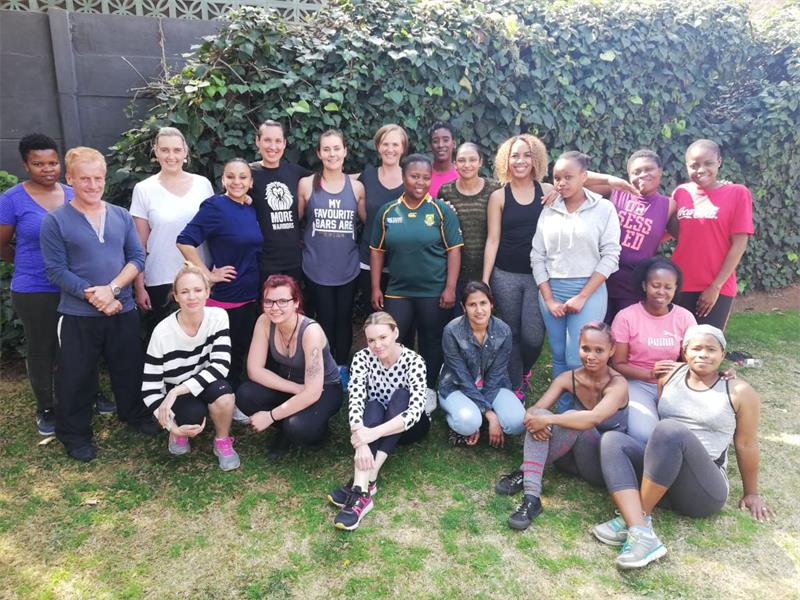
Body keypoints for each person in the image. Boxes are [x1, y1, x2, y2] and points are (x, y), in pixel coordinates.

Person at [594, 324, 770, 569]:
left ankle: (637, 522)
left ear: (722, 354)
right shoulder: (669, 376)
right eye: (696, 348)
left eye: (711, 349)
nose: (703, 354)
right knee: (613, 440)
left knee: (669, 430)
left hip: (702, 489)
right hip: (665, 478)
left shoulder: (738, 390)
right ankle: (640, 529)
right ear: (684, 352)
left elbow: (747, 443)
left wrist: (752, 492)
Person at [39, 147, 158, 461]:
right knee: (75, 376)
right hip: (78, 314)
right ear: (70, 179)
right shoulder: (55, 221)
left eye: (98, 178)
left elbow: (137, 257)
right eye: (85, 179)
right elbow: (56, 270)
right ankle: (75, 434)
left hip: (123, 308)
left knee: (129, 367)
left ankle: (134, 413)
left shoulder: (120, 215)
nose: (92, 185)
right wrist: (95, 296)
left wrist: (113, 290)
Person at [495, 322, 628, 530]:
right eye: (585, 349)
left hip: (601, 465)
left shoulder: (618, 384)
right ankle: (531, 499)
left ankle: (526, 473)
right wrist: (535, 417)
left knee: (569, 417)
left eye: (599, 350)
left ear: (611, 351)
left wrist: (549, 420)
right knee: (542, 416)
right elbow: (534, 411)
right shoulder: (569, 378)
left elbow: (593, 419)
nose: (591, 356)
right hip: (567, 460)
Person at [370, 153, 463, 408]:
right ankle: (398, 386)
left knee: (431, 340)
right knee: (394, 339)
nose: (420, 182)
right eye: (414, 176)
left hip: (433, 291)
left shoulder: (441, 211)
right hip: (398, 290)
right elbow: (376, 251)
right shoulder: (388, 211)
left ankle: (428, 388)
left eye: (425, 177)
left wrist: (450, 288)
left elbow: (454, 251)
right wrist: (376, 287)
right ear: (403, 177)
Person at [531, 151, 621, 412]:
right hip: (552, 290)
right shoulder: (549, 209)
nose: (561, 183)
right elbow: (537, 255)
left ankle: (584, 413)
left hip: (588, 290)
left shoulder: (603, 209)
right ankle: (563, 412)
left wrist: (582, 296)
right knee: (559, 355)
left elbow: (611, 255)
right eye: (557, 178)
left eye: (568, 177)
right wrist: (549, 298)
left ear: (584, 176)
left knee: (577, 357)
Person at [327, 311, 430, 530]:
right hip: (376, 420)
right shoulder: (362, 358)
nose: (377, 345)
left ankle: (369, 476)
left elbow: (415, 411)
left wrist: (372, 434)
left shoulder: (414, 361)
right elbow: (356, 400)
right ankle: (362, 491)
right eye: (371, 340)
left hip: (410, 426)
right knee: (372, 405)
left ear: (395, 333)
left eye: (383, 337)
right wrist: (361, 442)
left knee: (401, 396)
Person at [0, 134, 73, 435]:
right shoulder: (12, 199)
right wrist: (27, 263)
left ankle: (86, 393)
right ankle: (46, 407)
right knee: (42, 347)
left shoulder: (72, 194)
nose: (47, 169)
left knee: (77, 344)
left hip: (72, 285)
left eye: (52, 163)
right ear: (26, 165)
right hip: (35, 288)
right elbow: (2, 245)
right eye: (38, 164)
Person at [141, 263, 240, 470]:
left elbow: (221, 365)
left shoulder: (218, 317)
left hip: (201, 382)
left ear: (207, 292)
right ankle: (178, 434)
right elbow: (150, 388)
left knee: (225, 396)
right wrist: (171, 427)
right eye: (185, 292)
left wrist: (176, 392)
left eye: (197, 290)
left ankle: (222, 440)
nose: (192, 297)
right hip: (176, 387)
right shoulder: (162, 332)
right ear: (176, 296)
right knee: (192, 415)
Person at [177, 158, 263, 390]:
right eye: (230, 177)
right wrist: (207, 275)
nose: (237, 182)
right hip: (227, 297)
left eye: (243, 177)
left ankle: (231, 395)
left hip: (250, 293)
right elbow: (184, 241)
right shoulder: (215, 207)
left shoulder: (250, 207)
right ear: (223, 180)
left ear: (251, 182)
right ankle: (220, 398)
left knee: (240, 349)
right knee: (223, 354)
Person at [236, 275, 342, 457]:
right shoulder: (264, 321)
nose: (275, 308)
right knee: (246, 395)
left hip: (324, 388)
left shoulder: (311, 332)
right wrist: (296, 388)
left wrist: (269, 416)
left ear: (296, 303)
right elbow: (254, 370)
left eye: (283, 301)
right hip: (292, 384)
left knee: (298, 427)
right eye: (269, 301)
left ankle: (317, 431)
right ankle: (284, 427)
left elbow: (313, 392)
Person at [483, 134, 553, 398]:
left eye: (527, 155)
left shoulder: (548, 191)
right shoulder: (499, 196)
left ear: (536, 159)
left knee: (533, 337)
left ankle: (524, 369)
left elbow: (580, 178)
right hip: (505, 274)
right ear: (506, 160)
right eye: (515, 156)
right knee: (511, 332)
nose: (520, 161)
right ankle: (516, 383)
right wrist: (486, 279)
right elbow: (493, 239)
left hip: (539, 276)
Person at [130, 127, 214, 338]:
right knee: (167, 340)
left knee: (202, 338)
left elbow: (217, 229)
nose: (171, 156)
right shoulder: (144, 189)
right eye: (165, 150)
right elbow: (139, 244)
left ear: (185, 152)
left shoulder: (203, 185)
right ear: (156, 152)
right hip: (161, 278)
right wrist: (139, 287)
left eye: (177, 150)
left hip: (200, 277)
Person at [298, 130, 365, 375]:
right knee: (324, 318)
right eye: (326, 149)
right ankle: (325, 369)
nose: (332, 154)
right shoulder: (307, 184)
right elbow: (294, 222)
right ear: (319, 153)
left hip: (348, 266)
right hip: (316, 267)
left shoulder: (357, 187)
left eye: (337, 148)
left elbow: (370, 223)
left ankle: (343, 368)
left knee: (344, 317)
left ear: (345, 151)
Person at [582, 149, 674, 323]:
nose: (643, 175)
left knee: (625, 332)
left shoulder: (668, 205)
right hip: (602, 278)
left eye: (649, 169)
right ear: (629, 175)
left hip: (634, 285)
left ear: (660, 171)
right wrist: (609, 179)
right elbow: (577, 178)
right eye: (636, 172)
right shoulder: (616, 192)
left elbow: (684, 229)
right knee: (597, 331)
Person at [670, 139, 754, 330]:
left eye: (708, 163)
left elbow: (739, 244)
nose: (701, 170)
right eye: (694, 165)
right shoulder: (681, 192)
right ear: (686, 166)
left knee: (707, 343)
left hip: (716, 285)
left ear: (719, 162)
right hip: (679, 282)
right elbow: (670, 230)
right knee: (676, 343)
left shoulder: (737, 193)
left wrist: (715, 286)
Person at [610, 258, 696, 443]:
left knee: (690, 431)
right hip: (637, 383)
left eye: (668, 287)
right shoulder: (626, 317)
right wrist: (650, 373)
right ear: (644, 285)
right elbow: (618, 363)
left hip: (674, 384)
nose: (661, 292)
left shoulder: (685, 317)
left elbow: (693, 359)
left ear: (675, 289)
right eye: (655, 285)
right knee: (644, 434)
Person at [438, 281, 524, 447]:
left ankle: (479, 417)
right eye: (472, 305)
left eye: (483, 303)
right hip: (457, 386)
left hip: (493, 385)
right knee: (468, 422)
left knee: (517, 423)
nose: (479, 310)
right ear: (463, 307)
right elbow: (460, 376)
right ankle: (462, 424)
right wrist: (489, 414)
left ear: (491, 304)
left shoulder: (503, 331)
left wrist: (483, 408)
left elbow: (497, 373)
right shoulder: (451, 331)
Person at [438, 143, 499, 317]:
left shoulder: (495, 189)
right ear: (455, 164)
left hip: (490, 271)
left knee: (487, 321)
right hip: (457, 272)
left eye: (472, 160)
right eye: (461, 160)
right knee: (459, 321)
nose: (467, 165)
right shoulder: (446, 191)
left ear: (481, 162)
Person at [249, 120, 310, 286]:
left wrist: (363, 178)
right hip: (263, 261)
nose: (273, 146)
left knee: (293, 301)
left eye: (278, 141)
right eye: (267, 140)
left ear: (284, 144)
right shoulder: (247, 174)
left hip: (294, 260)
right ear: (258, 141)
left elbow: (328, 180)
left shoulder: (295, 172)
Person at [355, 124, 407, 312]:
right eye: (385, 144)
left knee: (400, 320)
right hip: (368, 261)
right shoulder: (367, 177)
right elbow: (365, 216)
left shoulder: (411, 179)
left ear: (403, 148)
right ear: (378, 146)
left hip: (401, 263)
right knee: (374, 318)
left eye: (395, 144)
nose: (390, 149)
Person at [428, 121, 457, 198]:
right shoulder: (423, 175)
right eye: (435, 141)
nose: (440, 145)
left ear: (454, 144)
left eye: (446, 140)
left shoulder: (461, 175)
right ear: (430, 146)